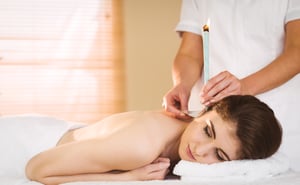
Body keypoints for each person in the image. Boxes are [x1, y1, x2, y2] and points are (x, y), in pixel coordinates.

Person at [163, 0, 300, 170]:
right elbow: (189, 54)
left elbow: (297, 52)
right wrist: (182, 85)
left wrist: (244, 87)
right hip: (213, 120)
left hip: (276, 119)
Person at [23, 95, 282, 184]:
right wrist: (127, 178)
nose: (200, 150)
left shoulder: (187, 121)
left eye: (220, 155)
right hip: (26, 142)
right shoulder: (140, 148)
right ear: (203, 110)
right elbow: (36, 169)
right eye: (207, 131)